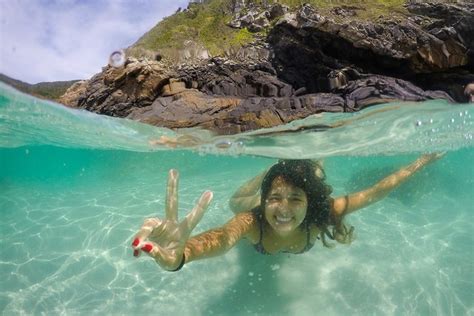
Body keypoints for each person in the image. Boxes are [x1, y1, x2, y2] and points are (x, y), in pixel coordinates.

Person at [131, 154, 443, 271]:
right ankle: (277, 167)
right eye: (275, 198)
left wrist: (419, 163)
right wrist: (183, 253)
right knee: (234, 202)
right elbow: (223, 237)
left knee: (312, 172)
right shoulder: (253, 219)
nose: (282, 210)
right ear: (264, 200)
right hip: (251, 202)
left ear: (310, 203)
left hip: (308, 187)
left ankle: (307, 166)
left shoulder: (324, 211)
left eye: (296, 198)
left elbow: (377, 191)